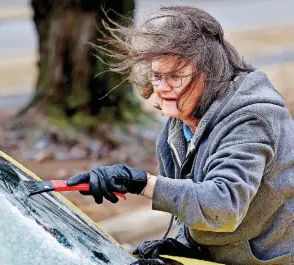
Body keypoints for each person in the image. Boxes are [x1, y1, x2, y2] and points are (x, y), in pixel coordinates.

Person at [67, 6, 294, 265]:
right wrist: (181, 246)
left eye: (175, 76)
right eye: (157, 76)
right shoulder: (176, 130)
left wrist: (140, 183)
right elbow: (193, 212)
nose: (162, 88)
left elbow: (224, 205)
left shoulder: (252, 120)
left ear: (209, 74)